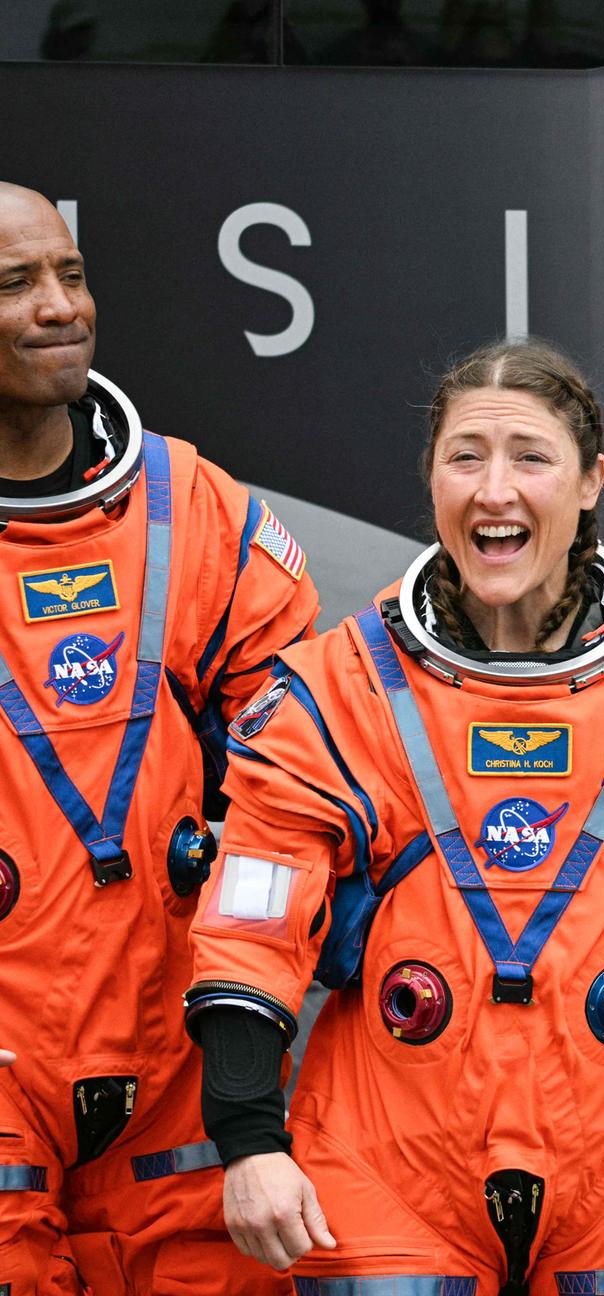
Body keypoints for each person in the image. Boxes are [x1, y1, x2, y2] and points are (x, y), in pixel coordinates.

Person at [186, 339, 604, 1295]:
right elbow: (252, 930)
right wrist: (248, 1138)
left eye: (530, 457)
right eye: (466, 457)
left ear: (590, 483)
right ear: (432, 479)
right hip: (387, 1158)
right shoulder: (340, 689)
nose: (495, 490)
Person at [0, 182, 318, 1294]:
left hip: (176, 1035)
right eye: (15, 285)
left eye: (71, 276)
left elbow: (297, 781)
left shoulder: (194, 508)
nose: (58, 308)